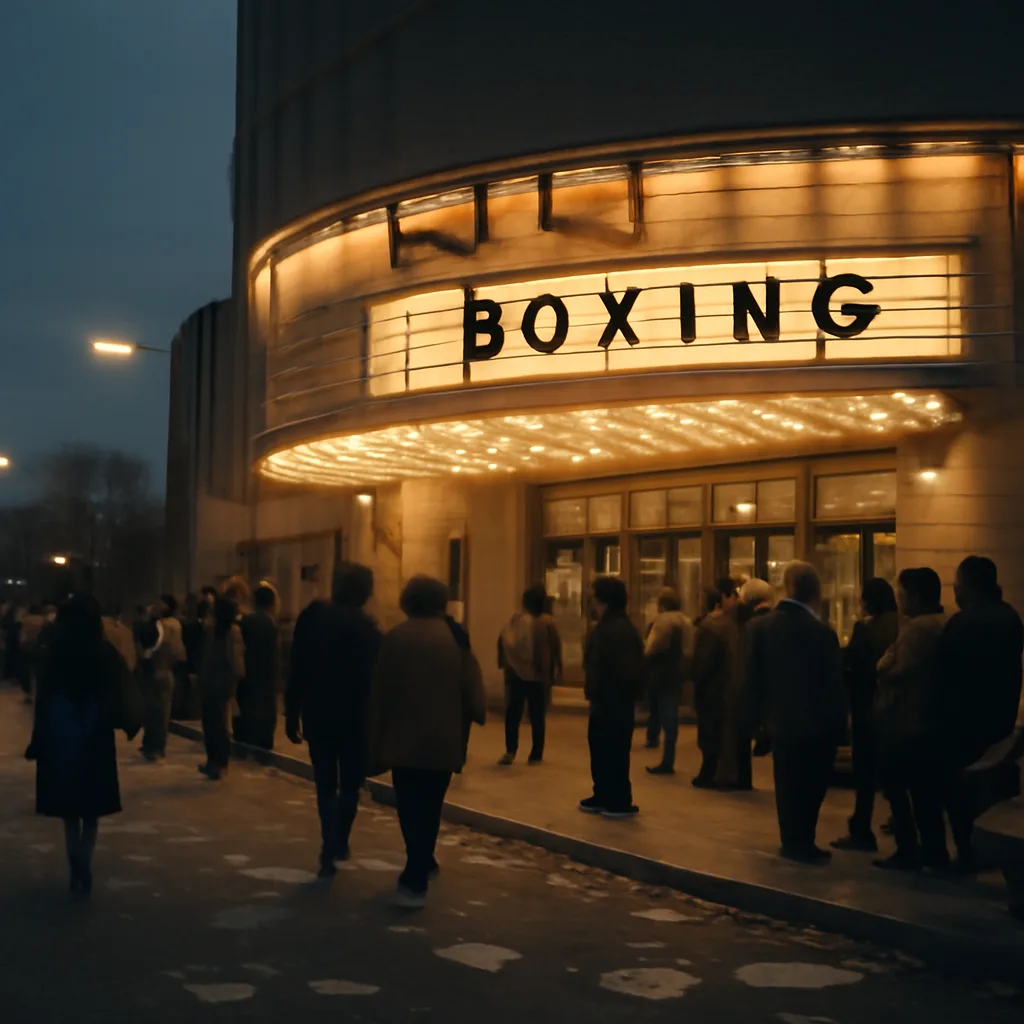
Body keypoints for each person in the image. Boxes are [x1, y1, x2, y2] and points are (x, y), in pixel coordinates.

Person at [368, 576, 486, 908]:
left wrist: (375, 736)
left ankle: (416, 869)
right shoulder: (455, 637)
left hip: (403, 738)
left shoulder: (395, 638)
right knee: (432, 805)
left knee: (408, 805)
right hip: (443, 739)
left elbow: (380, 693)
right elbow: (473, 690)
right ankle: (421, 863)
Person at [26, 594, 140, 894]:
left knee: (68, 811)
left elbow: (44, 698)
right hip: (95, 735)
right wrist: (129, 721)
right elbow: (122, 689)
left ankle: (74, 861)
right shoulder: (104, 652)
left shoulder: (55, 652)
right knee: (91, 810)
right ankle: (84, 860)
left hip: (61, 735)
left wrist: (38, 738)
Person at [286, 563, 381, 877]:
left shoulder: (313, 616)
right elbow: (375, 680)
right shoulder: (368, 628)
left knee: (325, 783)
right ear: (365, 591)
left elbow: (296, 666)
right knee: (351, 783)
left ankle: (329, 842)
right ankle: (340, 839)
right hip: (355, 716)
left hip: (318, 712)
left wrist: (291, 710)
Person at [747, 562, 846, 864]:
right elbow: (833, 684)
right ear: (815, 592)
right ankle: (805, 839)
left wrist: (756, 721)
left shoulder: (761, 628)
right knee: (812, 785)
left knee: (787, 785)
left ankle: (792, 839)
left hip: (780, 721)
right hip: (817, 723)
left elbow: (752, 679)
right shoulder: (822, 633)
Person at [938, 556, 1024, 871]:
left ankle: (969, 854)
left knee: (961, 796)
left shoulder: (964, 623)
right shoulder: (1009, 618)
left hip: (962, 724)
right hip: (999, 721)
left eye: (958, 585)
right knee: (996, 792)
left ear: (971, 587)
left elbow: (945, 674)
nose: (955, 592)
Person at [873, 567, 948, 871]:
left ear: (914, 597)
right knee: (926, 792)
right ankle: (932, 849)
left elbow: (889, 666)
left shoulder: (918, 629)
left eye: (901, 594)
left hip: (907, 722)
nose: (898, 600)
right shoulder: (945, 623)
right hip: (928, 720)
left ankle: (912, 849)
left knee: (903, 789)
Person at [832, 578, 900, 853]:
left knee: (866, 774)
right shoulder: (900, 626)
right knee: (894, 773)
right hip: (895, 710)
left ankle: (861, 829)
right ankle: (899, 822)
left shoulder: (866, 629)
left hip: (866, 709)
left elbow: (852, 669)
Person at [579, 577, 645, 818]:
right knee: (602, 750)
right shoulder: (617, 627)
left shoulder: (615, 630)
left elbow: (623, 669)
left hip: (612, 702)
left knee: (611, 751)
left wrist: (599, 689)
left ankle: (616, 799)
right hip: (608, 701)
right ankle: (604, 794)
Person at [497, 584, 557, 766]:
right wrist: (552, 672)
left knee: (512, 713)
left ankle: (510, 750)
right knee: (537, 714)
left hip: (515, 674)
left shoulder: (515, 620)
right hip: (538, 675)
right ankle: (536, 752)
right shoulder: (547, 623)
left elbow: (502, 641)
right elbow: (554, 649)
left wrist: (504, 664)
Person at [691, 579, 740, 788]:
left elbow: (703, 662)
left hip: (712, 688)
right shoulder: (730, 624)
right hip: (727, 686)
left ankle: (709, 772)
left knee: (710, 731)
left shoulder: (709, 626)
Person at [643, 588, 694, 775]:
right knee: (670, 712)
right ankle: (669, 753)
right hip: (676, 670)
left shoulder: (662, 621)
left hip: (660, 669)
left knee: (662, 709)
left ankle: (664, 756)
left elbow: (651, 646)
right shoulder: (685, 620)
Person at [198, 596, 245, 780]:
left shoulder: (231, 632)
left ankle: (220, 763)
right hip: (211, 683)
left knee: (219, 725)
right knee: (211, 725)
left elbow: (235, 662)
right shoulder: (213, 630)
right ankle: (213, 761)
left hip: (221, 684)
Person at [138, 596, 186, 761]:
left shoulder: (162, 626)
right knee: (161, 712)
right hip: (166, 672)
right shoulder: (176, 625)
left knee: (154, 711)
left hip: (157, 670)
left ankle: (153, 746)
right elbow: (180, 654)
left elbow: (146, 641)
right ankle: (155, 746)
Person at [237, 584, 281, 750]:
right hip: (266, 674)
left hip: (248, 673)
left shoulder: (247, 621)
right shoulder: (270, 623)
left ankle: (247, 740)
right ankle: (263, 742)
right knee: (265, 711)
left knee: (248, 709)